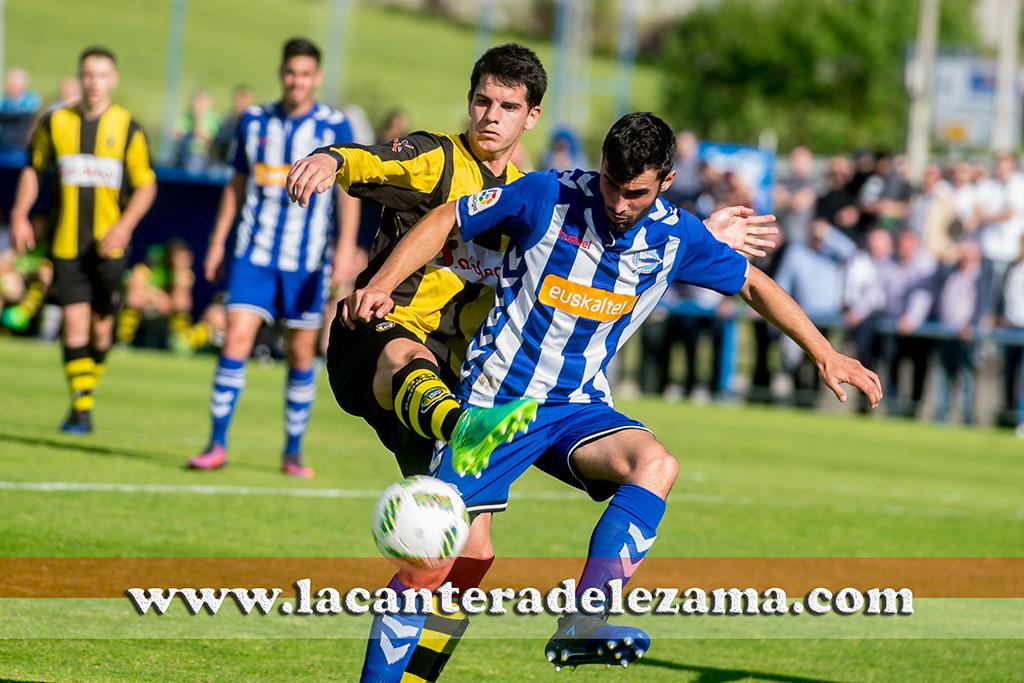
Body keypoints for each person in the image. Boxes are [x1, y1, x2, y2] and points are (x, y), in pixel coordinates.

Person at [287, 46, 777, 683]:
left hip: (461, 376)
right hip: (379, 341)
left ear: (531, 117)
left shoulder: (534, 196)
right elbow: (370, 160)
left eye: (508, 107)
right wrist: (329, 159)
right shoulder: (436, 157)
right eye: (482, 102)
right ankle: (463, 428)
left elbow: (616, 238)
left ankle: (410, 679)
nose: (491, 117)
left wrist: (696, 231)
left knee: (469, 554)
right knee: (412, 366)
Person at [343, 112, 881, 678]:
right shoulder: (547, 194)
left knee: (655, 464)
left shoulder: (675, 236)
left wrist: (826, 352)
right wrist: (379, 285)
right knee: (440, 563)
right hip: (495, 406)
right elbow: (449, 215)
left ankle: (584, 619)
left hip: (576, 408)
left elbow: (751, 282)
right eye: (610, 185)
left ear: (666, 182)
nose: (619, 203)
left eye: (636, 193)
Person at [185, 38, 357, 478]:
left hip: (306, 261)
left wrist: (344, 250)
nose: (296, 81)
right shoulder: (255, 121)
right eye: (290, 72)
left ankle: (292, 452)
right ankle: (216, 444)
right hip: (253, 253)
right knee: (236, 339)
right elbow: (236, 185)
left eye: (305, 74)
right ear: (282, 74)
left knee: (301, 354)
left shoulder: (334, 126)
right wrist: (219, 241)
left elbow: (349, 194)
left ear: (315, 78)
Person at [10, 46, 156, 433]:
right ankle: (82, 408)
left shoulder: (128, 127)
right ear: (80, 78)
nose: (94, 82)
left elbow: (146, 186)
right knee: (74, 326)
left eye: (102, 75)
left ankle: (83, 395)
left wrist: (125, 225)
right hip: (66, 244)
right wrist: (19, 213)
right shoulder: (55, 123)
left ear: (114, 79)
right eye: (88, 75)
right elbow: (32, 170)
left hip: (110, 246)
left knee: (101, 329)